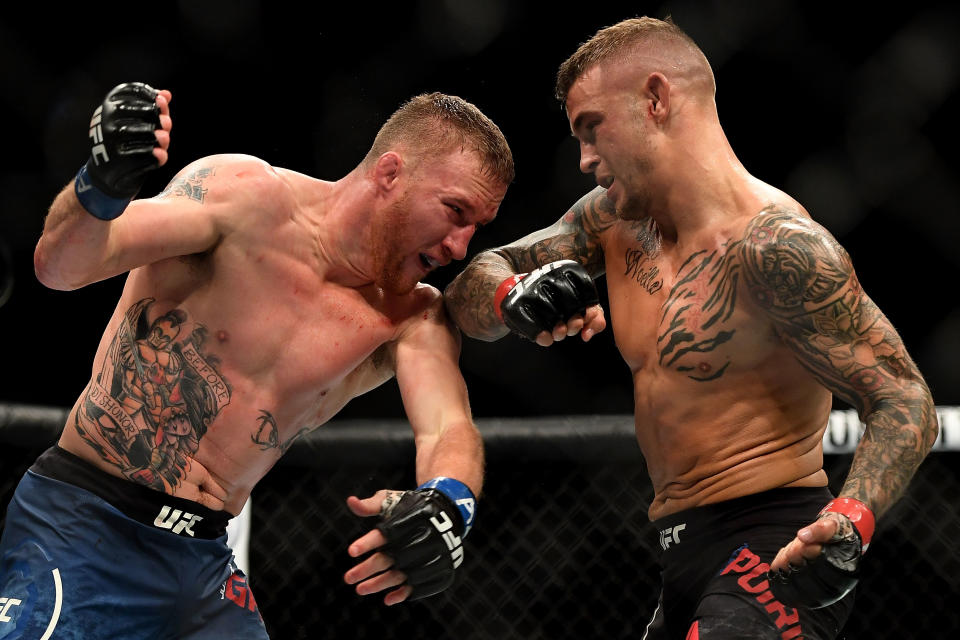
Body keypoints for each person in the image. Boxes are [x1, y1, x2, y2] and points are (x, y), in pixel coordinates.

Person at [444, 16, 938, 639]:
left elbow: (904, 397)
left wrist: (851, 521)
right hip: (679, 555)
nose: (584, 159)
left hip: (772, 550)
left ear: (656, 100)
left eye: (592, 129)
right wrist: (513, 296)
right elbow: (465, 290)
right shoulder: (612, 223)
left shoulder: (775, 247)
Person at [0, 81, 513, 639]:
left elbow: (448, 429)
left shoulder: (412, 315)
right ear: (390, 174)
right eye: (454, 211)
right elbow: (61, 267)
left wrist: (449, 503)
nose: (460, 247)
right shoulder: (246, 199)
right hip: (85, 524)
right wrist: (99, 187)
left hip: (202, 566)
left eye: (476, 228)